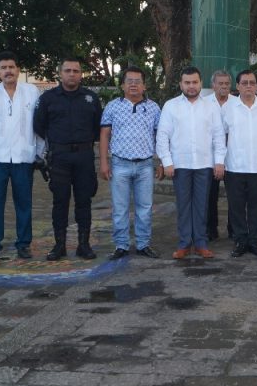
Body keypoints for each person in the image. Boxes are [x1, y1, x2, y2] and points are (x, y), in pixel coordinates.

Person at [0, 51, 43, 264]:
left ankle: (23, 244)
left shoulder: (32, 92)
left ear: (18, 69)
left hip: (24, 157)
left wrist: (40, 153)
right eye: (3, 68)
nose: (8, 71)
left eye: (11, 67)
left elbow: (39, 125)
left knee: (24, 203)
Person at [34, 58, 103, 261]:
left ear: (81, 74)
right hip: (59, 157)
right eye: (67, 70)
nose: (72, 74)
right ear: (60, 73)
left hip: (84, 156)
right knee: (60, 201)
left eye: (76, 70)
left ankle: (84, 245)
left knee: (84, 201)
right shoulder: (48, 98)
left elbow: (98, 127)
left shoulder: (91, 98)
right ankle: (59, 245)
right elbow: (39, 126)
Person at [157, 66, 226, 259]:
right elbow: (162, 136)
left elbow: (219, 136)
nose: (191, 86)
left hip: (204, 164)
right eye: (187, 82)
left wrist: (219, 162)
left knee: (202, 205)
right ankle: (184, 243)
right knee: (183, 205)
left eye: (194, 82)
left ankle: (201, 243)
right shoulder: (171, 106)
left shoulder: (211, 106)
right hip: (180, 164)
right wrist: (167, 162)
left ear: (200, 83)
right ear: (181, 84)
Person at [99, 66, 163, 260]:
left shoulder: (154, 108)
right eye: (129, 81)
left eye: (137, 81)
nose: (133, 85)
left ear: (144, 86)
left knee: (145, 207)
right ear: (122, 85)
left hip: (145, 165)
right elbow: (104, 134)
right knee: (120, 208)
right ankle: (121, 245)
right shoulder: (112, 106)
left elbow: (160, 137)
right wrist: (104, 162)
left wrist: (161, 162)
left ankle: (143, 244)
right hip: (120, 164)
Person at [223, 70, 257, 258]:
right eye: (244, 83)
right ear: (237, 86)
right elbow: (220, 136)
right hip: (234, 166)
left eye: (252, 83)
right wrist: (219, 161)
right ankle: (240, 241)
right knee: (236, 207)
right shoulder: (228, 108)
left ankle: (254, 241)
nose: (248, 86)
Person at [205, 70, 238, 241]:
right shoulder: (204, 103)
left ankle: (234, 229)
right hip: (210, 155)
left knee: (234, 195)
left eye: (227, 83)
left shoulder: (237, 103)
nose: (224, 86)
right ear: (213, 85)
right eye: (220, 83)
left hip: (233, 154)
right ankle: (211, 229)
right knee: (210, 195)